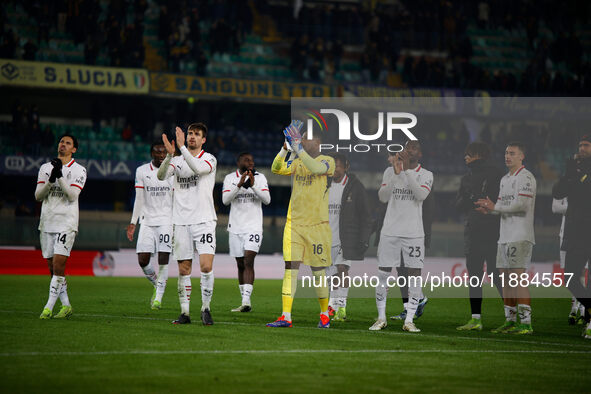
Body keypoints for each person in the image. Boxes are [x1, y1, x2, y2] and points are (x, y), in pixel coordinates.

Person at [266, 120, 335, 328]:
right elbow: (276, 168)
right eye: (302, 137)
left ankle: (324, 313)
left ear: (320, 142)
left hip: (317, 226)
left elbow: (315, 169)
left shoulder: (328, 161)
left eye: (307, 138)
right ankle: (285, 316)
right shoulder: (297, 160)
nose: (303, 140)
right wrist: (285, 148)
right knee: (290, 268)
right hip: (294, 224)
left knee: (318, 270)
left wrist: (298, 150)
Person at [157, 124, 217, 325]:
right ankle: (185, 313)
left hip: (204, 220)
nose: (192, 137)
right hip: (181, 221)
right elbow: (161, 176)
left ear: (203, 140)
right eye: (190, 133)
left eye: (196, 134)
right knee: (184, 269)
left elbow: (198, 169)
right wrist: (169, 156)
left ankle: (206, 308)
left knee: (206, 266)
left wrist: (181, 148)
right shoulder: (177, 160)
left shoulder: (209, 159)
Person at [372, 141, 433, 332]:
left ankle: (409, 320)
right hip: (389, 231)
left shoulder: (427, 174)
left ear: (420, 154)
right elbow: (382, 196)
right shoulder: (390, 171)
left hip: (413, 234)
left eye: (414, 148)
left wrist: (406, 172)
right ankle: (381, 318)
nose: (409, 151)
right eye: (407, 148)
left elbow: (420, 195)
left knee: (414, 277)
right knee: (383, 275)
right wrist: (396, 174)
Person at [476, 142, 536, 335]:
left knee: (518, 279)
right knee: (507, 280)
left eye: (512, 153)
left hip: (520, 236)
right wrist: (489, 209)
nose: (507, 156)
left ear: (522, 157)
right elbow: (501, 205)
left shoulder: (526, 177)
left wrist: (496, 207)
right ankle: (510, 321)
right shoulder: (504, 179)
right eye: (506, 153)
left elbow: (522, 206)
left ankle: (526, 323)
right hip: (504, 237)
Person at [36, 134, 87, 319]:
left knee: (58, 264)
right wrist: (51, 180)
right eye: (61, 142)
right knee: (52, 268)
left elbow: (72, 196)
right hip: (47, 221)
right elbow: (38, 196)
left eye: (67, 143)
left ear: (74, 149)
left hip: (66, 222)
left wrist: (60, 177)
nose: (63, 145)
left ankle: (48, 308)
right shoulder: (45, 168)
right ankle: (66, 305)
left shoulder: (80, 170)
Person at [455, 142, 504, 331]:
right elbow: (458, 205)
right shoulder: (466, 178)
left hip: (494, 230)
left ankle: (512, 315)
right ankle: (476, 319)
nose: (465, 157)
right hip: (474, 231)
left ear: (478, 154)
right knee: (475, 275)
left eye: (468, 154)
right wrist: (467, 199)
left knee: (495, 273)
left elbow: (503, 200)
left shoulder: (497, 175)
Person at [552, 134, 591, 339]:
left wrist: (577, 177)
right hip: (576, 232)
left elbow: (585, 193)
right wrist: (568, 175)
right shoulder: (574, 171)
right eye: (580, 145)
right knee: (569, 278)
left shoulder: (583, 172)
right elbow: (557, 193)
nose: (581, 148)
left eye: (586, 145)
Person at [126, 141, 173, 310]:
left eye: (164, 153)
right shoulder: (142, 171)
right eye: (157, 152)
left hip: (167, 220)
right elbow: (139, 198)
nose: (161, 155)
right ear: (151, 154)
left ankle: (158, 297)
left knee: (163, 258)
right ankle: (157, 284)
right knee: (143, 260)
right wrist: (133, 223)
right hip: (146, 220)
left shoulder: (173, 171)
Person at [222, 152, 271, 312]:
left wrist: (253, 185)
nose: (251, 162)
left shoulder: (261, 178)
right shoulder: (230, 178)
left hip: (253, 227)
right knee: (240, 264)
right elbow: (225, 200)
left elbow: (267, 200)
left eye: (252, 159)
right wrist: (239, 185)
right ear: (239, 161)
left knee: (249, 260)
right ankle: (243, 302)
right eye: (247, 160)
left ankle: (246, 300)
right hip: (235, 228)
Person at [326, 153, 372, 322]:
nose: (335, 169)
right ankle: (334, 305)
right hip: (326, 237)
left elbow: (365, 215)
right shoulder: (324, 185)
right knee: (330, 274)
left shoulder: (355, 187)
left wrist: (363, 238)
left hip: (346, 237)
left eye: (338, 166)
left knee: (341, 269)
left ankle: (339, 307)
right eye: (332, 166)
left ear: (346, 167)